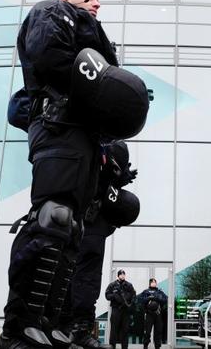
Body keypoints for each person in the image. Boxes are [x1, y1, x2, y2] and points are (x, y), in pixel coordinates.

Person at [1, 0, 148, 349]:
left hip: (85, 139)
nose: (96, 3)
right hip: (58, 129)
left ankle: (51, 322)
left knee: (73, 231)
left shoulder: (96, 38)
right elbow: (50, 57)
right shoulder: (53, 12)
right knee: (53, 217)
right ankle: (20, 326)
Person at [64, 140, 139, 349]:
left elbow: (105, 183)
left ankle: (80, 328)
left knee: (88, 276)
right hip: (80, 218)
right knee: (73, 273)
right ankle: (69, 327)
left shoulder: (115, 146)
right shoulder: (94, 138)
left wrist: (119, 179)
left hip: (94, 223)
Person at [105, 270, 135, 349]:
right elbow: (107, 296)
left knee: (125, 330)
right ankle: (112, 347)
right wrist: (114, 295)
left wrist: (130, 304)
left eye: (123, 274)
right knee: (114, 330)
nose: (122, 276)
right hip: (116, 310)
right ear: (118, 276)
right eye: (121, 274)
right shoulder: (112, 285)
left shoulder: (129, 285)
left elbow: (133, 295)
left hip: (125, 310)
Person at [137, 278, 168, 349]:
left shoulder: (160, 292)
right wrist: (148, 298)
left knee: (158, 332)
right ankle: (145, 346)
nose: (154, 283)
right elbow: (140, 300)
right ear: (150, 283)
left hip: (157, 314)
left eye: (155, 282)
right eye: (152, 282)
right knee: (147, 332)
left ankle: (157, 346)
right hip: (149, 314)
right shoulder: (146, 291)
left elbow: (165, 299)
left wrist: (157, 298)